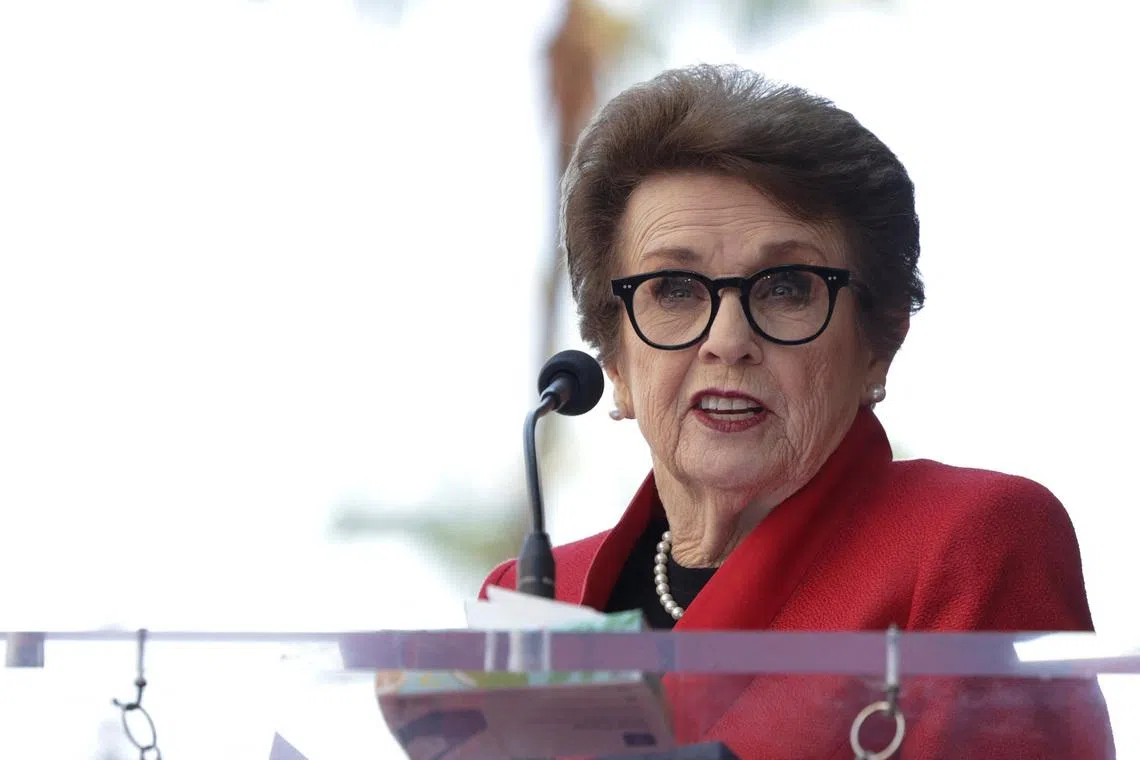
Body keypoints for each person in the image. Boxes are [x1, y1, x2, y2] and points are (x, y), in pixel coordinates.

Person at [480, 64, 1114, 758]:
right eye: (673, 288)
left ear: (879, 343)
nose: (728, 341)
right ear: (615, 361)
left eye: (785, 288)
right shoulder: (533, 599)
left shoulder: (969, 540)